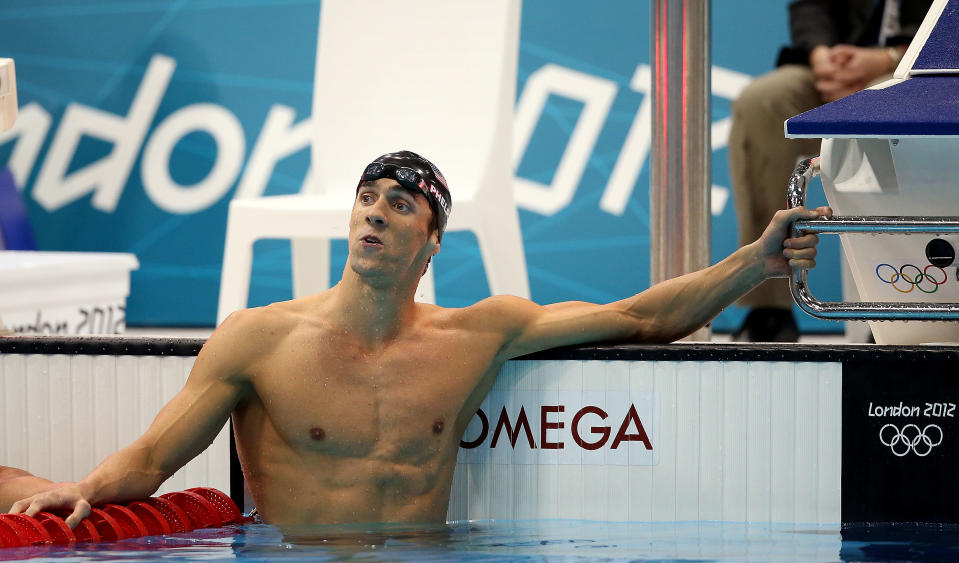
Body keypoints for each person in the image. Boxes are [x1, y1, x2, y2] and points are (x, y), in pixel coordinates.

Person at [10, 150, 829, 528]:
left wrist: (752, 263)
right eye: (368, 197)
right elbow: (153, 458)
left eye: (401, 205)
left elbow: (642, 317)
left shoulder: (480, 331)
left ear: (433, 241)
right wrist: (83, 487)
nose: (375, 211)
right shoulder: (258, 339)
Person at [728, 0, 931, 342]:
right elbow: (811, 6)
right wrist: (821, 56)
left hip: (922, 71)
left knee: (889, 102)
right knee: (764, 100)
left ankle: (901, 308)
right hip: (840, 63)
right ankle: (769, 305)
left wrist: (889, 58)